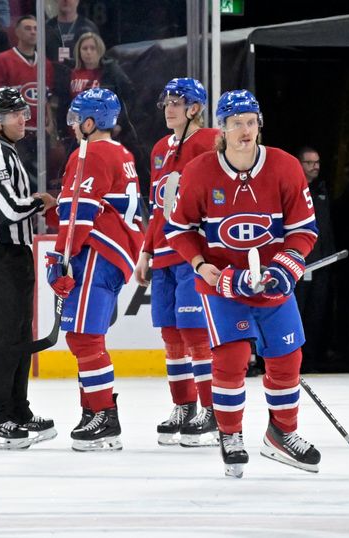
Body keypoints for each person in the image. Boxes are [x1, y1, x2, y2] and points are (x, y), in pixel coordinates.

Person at [165, 89, 321, 478]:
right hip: (225, 283)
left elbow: (304, 231)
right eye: (236, 123)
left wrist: (283, 269)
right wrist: (201, 265)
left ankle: (282, 434)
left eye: (251, 122)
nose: (245, 130)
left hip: (273, 282)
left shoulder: (285, 167)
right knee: (231, 360)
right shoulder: (200, 171)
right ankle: (230, 434)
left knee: (287, 360)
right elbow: (179, 230)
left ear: (259, 125)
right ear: (222, 129)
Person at [44, 87, 143, 452]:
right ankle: (92, 410)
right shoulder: (121, 152)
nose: (71, 126)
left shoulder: (90, 153)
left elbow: (79, 211)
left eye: (75, 119)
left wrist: (60, 257)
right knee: (85, 336)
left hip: (97, 251)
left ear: (90, 122)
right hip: (113, 252)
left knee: (84, 338)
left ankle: (103, 417)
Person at [0, 86, 57, 449]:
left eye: (23, 112)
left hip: (15, 253)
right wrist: (41, 201)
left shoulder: (6, 151)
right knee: (2, 337)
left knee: (18, 337)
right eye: (16, 114)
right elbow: (7, 210)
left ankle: (17, 410)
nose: (24, 119)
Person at [134, 78, 220, 447]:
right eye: (166, 101)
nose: (169, 108)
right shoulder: (158, 149)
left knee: (195, 331)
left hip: (195, 252)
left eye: (177, 101)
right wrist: (146, 251)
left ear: (195, 108)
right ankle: (183, 406)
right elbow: (158, 208)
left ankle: (213, 409)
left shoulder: (211, 140)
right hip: (166, 252)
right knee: (170, 331)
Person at [0, 15, 56, 191]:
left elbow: (46, 98)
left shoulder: (46, 64)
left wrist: (50, 125)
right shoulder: (1, 61)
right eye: (27, 28)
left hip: (40, 134)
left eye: (35, 28)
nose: (32, 32)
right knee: (17, 185)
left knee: (41, 187)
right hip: (17, 135)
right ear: (16, 32)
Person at [294, 146, 336, 372]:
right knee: (298, 309)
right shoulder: (293, 190)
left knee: (317, 311)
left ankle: (312, 357)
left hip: (323, 262)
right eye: (309, 162)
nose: (315, 166)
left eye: (317, 162)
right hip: (299, 262)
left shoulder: (322, 190)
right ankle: (295, 356)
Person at [45, 0, 98, 67]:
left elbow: (96, 59)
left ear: (77, 1)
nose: (66, 1)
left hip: (81, 74)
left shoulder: (89, 28)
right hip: (52, 74)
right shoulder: (46, 28)